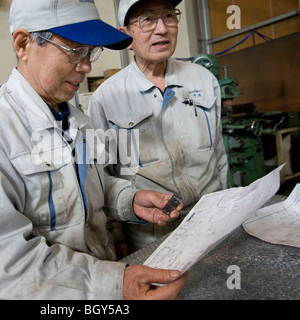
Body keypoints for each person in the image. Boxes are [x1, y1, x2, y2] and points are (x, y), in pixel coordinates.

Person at [0, 0, 188, 300]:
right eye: (75, 50)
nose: (87, 65)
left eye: (90, 52)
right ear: (23, 44)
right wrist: (115, 284)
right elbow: (11, 263)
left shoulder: (79, 121)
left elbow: (92, 188)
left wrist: (130, 200)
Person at [89, 0, 228, 253]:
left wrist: (227, 209)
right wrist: (117, 238)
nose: (162, 28)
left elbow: (219, 155)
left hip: (211, 221)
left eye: (168, 16)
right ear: (126, 36)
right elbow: (102, 177)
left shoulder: (203, 80)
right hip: (152, 234)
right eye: (148, 20)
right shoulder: (106, 97)